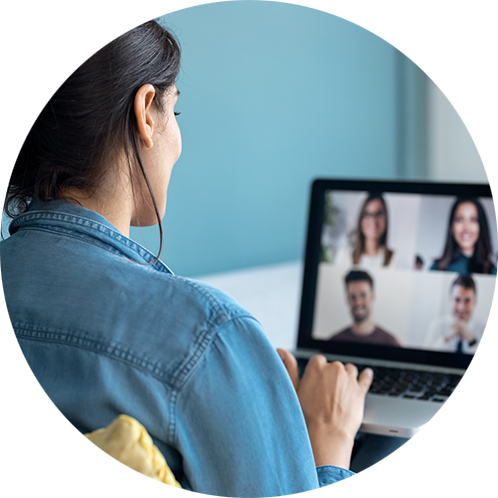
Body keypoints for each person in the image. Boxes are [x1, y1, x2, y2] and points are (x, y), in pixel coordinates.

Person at [0, 20, 376, 497]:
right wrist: (330, 450)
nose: (177, 138)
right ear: (145, 114)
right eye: (177, 110)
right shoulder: (209, 337)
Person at [329, 270, 401, 347]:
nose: (358, 302)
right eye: (353, 297)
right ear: (347, 299)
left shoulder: (390, 343)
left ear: (372, 296)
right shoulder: (335, 341)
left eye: (363, 295)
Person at [431, 197, 496, 275]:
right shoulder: (437, 269)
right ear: (451, 227)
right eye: (460, 220)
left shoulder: (491, 272)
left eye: (473, 220)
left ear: (481, 227)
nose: (466, 227)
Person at [425, 275, 485, 354]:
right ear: (450, 299)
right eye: (457, 300)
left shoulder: (484, 328)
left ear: (474, 302)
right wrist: (446, 338)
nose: (461, 308)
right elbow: (426, 358)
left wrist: (471, 339)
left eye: (467, 301)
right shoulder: (437, 325)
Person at [336, 192, 396, 268]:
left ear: (386, 219)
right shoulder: (344, 256)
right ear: (361, 219)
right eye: (368, 214)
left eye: (379, 214)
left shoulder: (395, 260)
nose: (373, 221)